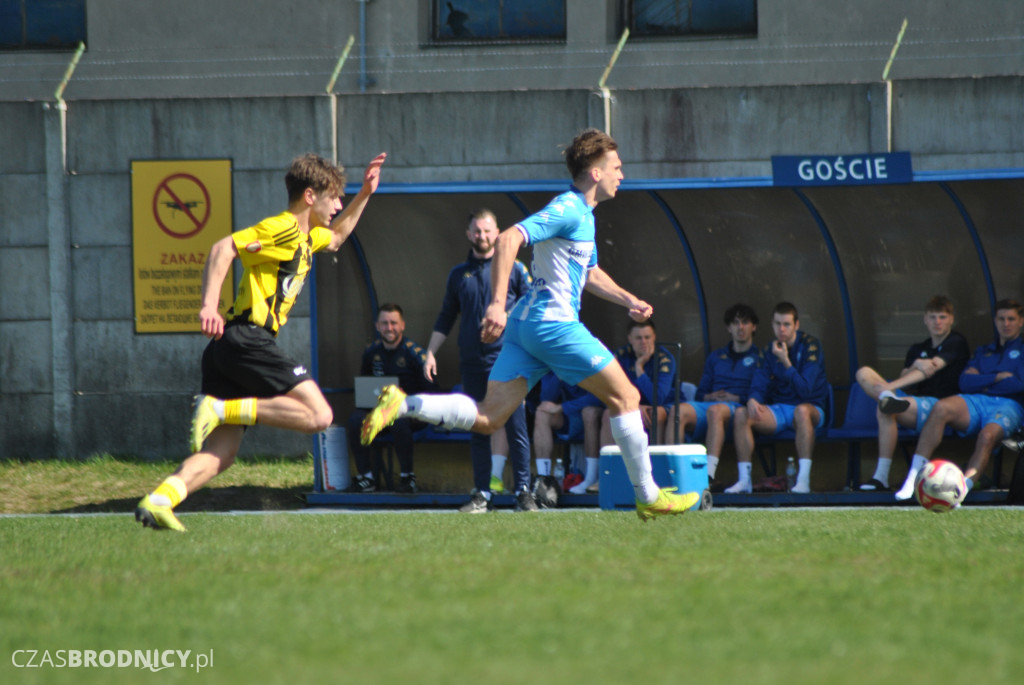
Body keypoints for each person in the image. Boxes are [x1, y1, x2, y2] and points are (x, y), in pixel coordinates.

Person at [362, 128, 700, 520]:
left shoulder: (583, 217)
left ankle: (402, 404)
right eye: (616, 167)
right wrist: (496, 305)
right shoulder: (569, 208)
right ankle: (648, 495)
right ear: (595, 173)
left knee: (489, 418)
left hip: (527, 329)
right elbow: (508, 240)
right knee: (626, 398)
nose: (621, 175)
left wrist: (629, 300)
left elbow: (589, 273)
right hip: (552, 325)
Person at [135, 152, 387, 531]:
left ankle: (160, 500)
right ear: (309, 196)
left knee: (222, 453)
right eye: (334, 197)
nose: (338, 205)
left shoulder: (307, 237)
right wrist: (208, 306)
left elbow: (337, 238)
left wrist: (366, 193)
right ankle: (220, 409)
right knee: (319, 416)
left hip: (230, 348)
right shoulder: (283, 228)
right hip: (247, 340)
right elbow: (223, 248)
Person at [422, 208, 535, 512]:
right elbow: (447, 316)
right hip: (473, 362)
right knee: (478, 427)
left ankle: (523, 492)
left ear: (497, 233)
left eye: (487, 231)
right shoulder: (459, 274)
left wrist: (506, 317)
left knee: (516, 426)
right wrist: (430, 352)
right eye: (477, 231)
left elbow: (532, 303)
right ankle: (482, 494)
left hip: (509, 360)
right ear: (469, 234)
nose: (482, 236)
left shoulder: (515, 268)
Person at [894, 298, 1024, 500]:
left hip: (1009, 404)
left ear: (1021, 321)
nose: (1006, 324)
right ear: (995, 321)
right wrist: (998, 377)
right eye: (1001, 319)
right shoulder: (983, 351)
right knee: (941, 407)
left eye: (1011, 319)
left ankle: (962, 489)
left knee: (987, 436)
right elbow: (964, 382)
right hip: (977, 400)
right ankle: (913, 478)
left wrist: (981, 378)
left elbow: (1019, 384)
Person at [853, 295, 970, 491]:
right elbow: (906, 379)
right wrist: (916, 364)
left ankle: (880, 476)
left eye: (942, 317)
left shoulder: (956, 342)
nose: (937, 322)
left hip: (941, 406)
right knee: (863, 372)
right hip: (916, 402)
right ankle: (886, 398)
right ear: (925, 319)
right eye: (932, 317)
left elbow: (930, 369)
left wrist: (890, 386)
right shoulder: (918, 348)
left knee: (885, 408)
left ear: (951, 319)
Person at [726, 302, 829, 494]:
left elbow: (806, 391)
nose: (781, 329)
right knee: (741, 414)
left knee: (801, 411)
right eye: (777, 324)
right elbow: (759, 381)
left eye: (787, 324)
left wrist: (786, 362)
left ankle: (803, 481)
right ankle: (744, 481)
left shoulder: (811, 345)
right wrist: (753, 398)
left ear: (796, 325)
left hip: (811, 408)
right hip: (779, 410)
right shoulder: (769, 349)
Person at [345, 304, 436, 493]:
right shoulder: (371, 352)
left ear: (402, 325)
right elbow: (365, 386)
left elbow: (431, 392)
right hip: (380, 413)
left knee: (399, 420)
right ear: (377, 326)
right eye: (384, 323)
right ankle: (366, 478)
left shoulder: (414, 354)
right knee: (355, 420)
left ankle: (407, 478)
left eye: (394, 323)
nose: (389, 328)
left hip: (410, 415)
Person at [677, 303, 762, 485]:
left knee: (715, 410)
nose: (740, 327)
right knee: (679, 411)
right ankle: (674, 471)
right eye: (735, 323)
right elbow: (700, 393)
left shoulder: (760, 358)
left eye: (745, 322)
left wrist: (737, 398)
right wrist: (710, 396)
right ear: (729, 328)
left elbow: (762, 393)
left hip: (739, 409)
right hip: (711, 405)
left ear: (754, 326)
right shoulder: (716, 357)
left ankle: (708, 476)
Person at [533, 372, 604, 494]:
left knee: (589, 412)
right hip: (570, 416)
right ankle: (543, 481)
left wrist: (563, 407)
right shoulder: (555, 363)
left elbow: (597, 397)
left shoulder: (588, 361)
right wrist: (557, 375)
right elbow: (546, 398)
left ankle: (591, 478)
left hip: (595, 414)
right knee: (542, 412)